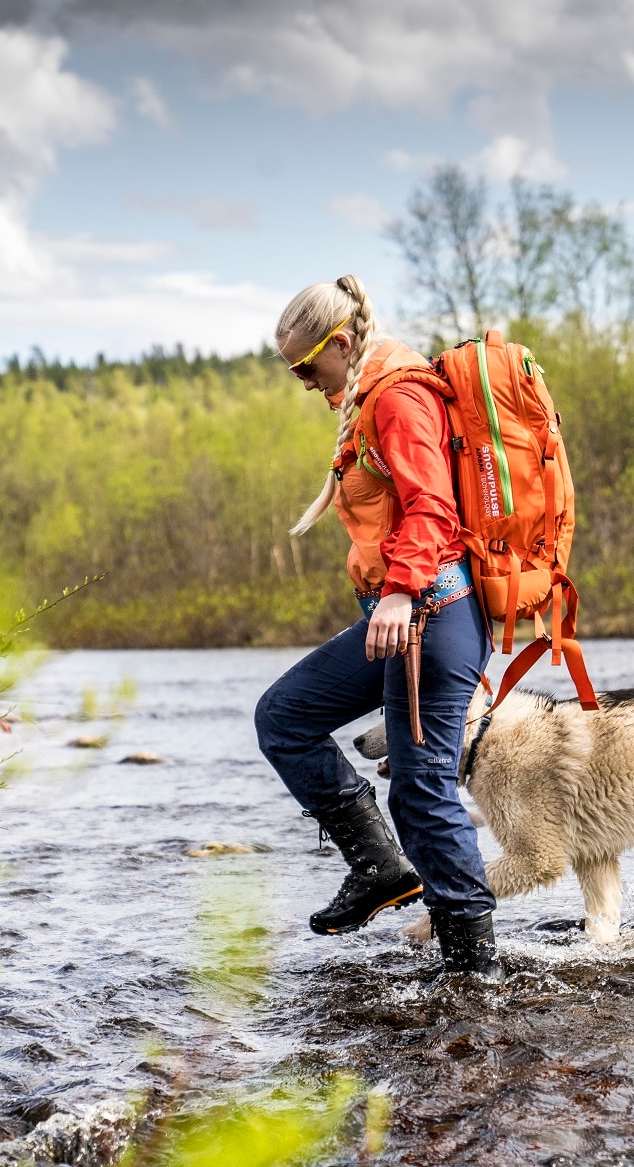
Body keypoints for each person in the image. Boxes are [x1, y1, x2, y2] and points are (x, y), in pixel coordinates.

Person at [253, 274, 502, 982]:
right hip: (397, 620)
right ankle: (381, 868)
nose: (303, 382)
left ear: (342, 343)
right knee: (284, 717)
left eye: (307, 367)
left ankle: (475, 971)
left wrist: (398, 592)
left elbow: (433, 509)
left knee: (420, 787)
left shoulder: (399, 397)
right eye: (292, 370)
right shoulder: (362, 399)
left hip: (435, 615)